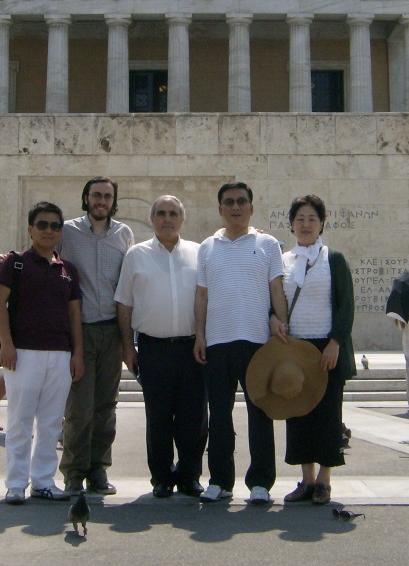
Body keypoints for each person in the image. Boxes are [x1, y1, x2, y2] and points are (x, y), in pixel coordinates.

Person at [194, 181, 289, 504]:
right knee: (219, 414)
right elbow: (202, 295)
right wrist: (200, 335)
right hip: (218, 342)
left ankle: (261, 482)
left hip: (257, 343)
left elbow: (277, 288)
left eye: (242, 202)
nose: (236, 207)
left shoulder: (267, 244)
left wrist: (281, 321)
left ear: (251, 207)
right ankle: (220, 480)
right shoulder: (207, 247)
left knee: (260, 414)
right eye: (229, 202)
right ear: (220, 208)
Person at [115, 195, 207, 499]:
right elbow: (124, 304)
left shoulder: (199, 253)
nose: (167, 219)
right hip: (153, 349)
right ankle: (162, 478)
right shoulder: (135, 256)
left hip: (192, 348)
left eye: (173, 213)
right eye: (161, 213)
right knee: (158, 417)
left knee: (194, 417)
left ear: (182, 219)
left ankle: (190, 475)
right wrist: (128, 348)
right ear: (152, 219)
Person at [0, 201, 84, 505]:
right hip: (24, 353)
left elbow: (74, 316)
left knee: (50, 422)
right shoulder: (15, 263)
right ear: (30, 229)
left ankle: (43, 481)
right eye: (42, 225)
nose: (49, 231)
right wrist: (6, 344)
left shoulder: (67, 270)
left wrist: (77, 354)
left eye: (55, 226)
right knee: (20, 420)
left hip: (59, 354)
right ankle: (16, 483)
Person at [58, 177, 134, 496]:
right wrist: (9, 260)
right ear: (86, 198)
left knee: (106, 405)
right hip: (80, 330)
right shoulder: (67, 231)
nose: (101, 201)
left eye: (107, 196)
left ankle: (99, 470)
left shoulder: (124, 234)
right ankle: (74, 472)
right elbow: (40, 254)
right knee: (79, 407)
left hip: (111, 332)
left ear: (113, 201)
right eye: (96, 195)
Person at [278, 195, 355, 506]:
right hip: (296, 349)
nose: (305, 225)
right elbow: (278, 303)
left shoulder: (333, 259)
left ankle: (324, 481)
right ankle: (306, 479)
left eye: (311, 218)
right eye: (300, 219)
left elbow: (346, 304)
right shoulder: (285, 260)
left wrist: (336, 342)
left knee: (326, 415)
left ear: (322, 222)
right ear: (292, 224)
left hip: (326, 348)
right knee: (298, 415)